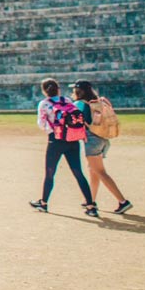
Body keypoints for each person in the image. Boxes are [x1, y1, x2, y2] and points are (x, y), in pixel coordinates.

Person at [29, 78, 97, 217]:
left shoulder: (44, 104)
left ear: (44, 90)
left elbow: (42, 124)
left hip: (56, 140)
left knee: (50, 173)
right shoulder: (67, 100)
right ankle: (91, 206)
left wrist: (53, 130)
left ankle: (44, 203)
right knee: (78, 172)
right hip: (72, 139)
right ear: (58, 88)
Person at [71, 81, 132, 214]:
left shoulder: (79, 104)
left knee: (100, 172)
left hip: (92, 140)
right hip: (103, 139)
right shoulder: (98, 102)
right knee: (93, 170)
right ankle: (90, 200)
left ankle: (123, 201)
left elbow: (75, 123)